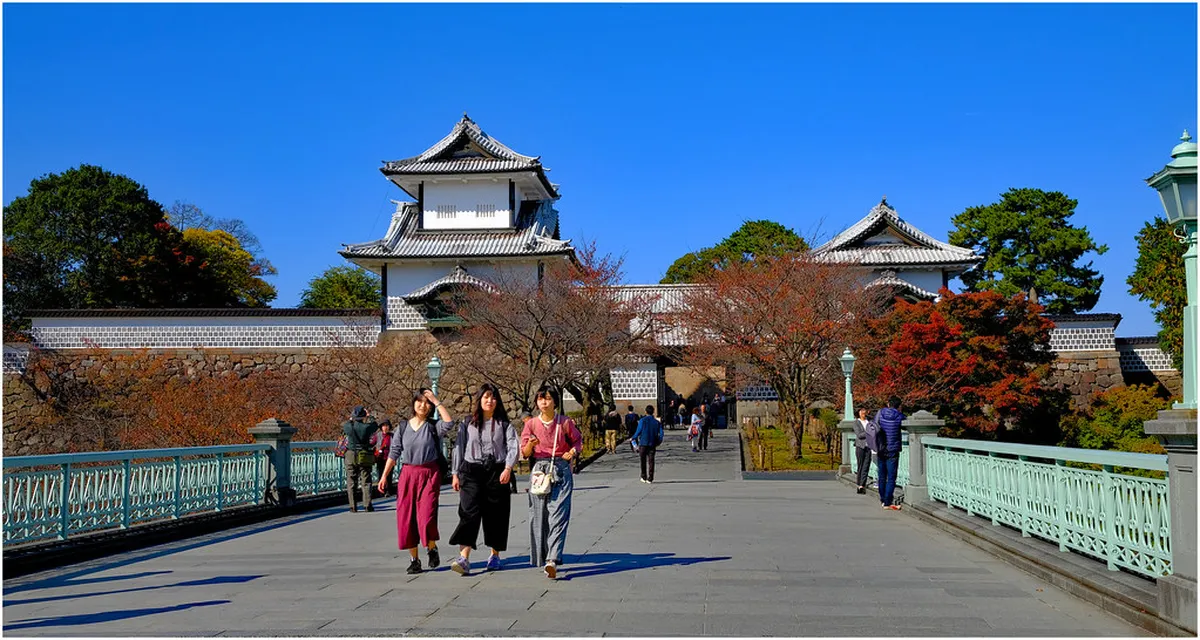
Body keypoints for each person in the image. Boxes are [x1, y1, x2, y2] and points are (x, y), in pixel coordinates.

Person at [377, 388, 454, 574]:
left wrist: (436, 400)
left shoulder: (433, 426)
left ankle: (431, 546)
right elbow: (394, 452)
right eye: (419, 401)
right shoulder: (403, 427)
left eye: (426, 403)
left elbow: (449, 423)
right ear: (413, 403)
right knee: (407, 518)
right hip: (408, 474)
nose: (423, 405)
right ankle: (414, 559)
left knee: (426, 515)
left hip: (429, 473)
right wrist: (384, 476)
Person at [448, 383, 520, 576]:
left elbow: (513, 446)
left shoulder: (504, 424)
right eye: (486, 397)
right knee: (468, 512)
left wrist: (508, 468)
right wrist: (455, 473)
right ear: (479, 399)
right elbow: (459, 447)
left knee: (496, 514)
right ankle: (464, 558)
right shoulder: (467, 423)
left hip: (496, 472)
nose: (490, 400)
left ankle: (495, 555)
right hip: (471, 472)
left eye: (493, 397)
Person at [520, 385, 582, 580]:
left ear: (555, 401)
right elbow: (524, 453)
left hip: (561, 470)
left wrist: (572, 452)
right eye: (540, 399)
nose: (544, 402)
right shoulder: (531, 424)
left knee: (559, 514)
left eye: (547, 398)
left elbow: (577, 441)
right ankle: (541, 555)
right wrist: (530, 444)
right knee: (539, 515)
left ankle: (552, 559)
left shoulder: (564, 422)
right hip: (539, 469)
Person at [342, 405, 379, 513]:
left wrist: (351, 418)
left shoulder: (348, 426)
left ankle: (353, 506)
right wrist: (370, 416)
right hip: (364, 454)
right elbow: (375, 425)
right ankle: (367, 504)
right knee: (366, 480)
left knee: (351, 480)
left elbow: (347, 424)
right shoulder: (367, 427)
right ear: (363, 416)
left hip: (350, 454)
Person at [874, 396, 906, 510]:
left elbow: (874, 426)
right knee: (891, 477)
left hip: (881, 448)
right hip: (893, 449)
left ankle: (883, 499)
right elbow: (906, 423)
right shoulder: (899, 415)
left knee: (882, 476)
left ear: (888, 404)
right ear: (899, 406)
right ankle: (888, 501)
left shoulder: (880, 413)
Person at [631, 405, 663, 483]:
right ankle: (650, 477)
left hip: (643, 443)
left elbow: (638, 431)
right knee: (651, 461)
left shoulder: (642, 421)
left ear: (646, 411)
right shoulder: (656, 422)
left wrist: (633, 437)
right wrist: (658, 441)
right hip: (652, 443)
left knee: (643, 460)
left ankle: (643, 476)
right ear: (653, 412)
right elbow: (661, 434)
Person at [850, 408, 874, 495]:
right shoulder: (856, 422)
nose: (864, 412)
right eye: (861, 411)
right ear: (858, 413)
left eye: (865, 410)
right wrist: (869, 432)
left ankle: (862, 485)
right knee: (860, 465)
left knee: (866, 466)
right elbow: (859, 435)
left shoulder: (870, 421)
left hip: (869, 446)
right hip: (860, 446)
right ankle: (859, 485)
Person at [370, 418, 394, 497]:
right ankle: (381, 490)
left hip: (389, 458)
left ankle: (388, 490)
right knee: (380, 473)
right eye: (383, 426)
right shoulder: (378, 435)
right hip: (380, 457)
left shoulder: (392, 436)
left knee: (389, 474)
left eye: (387, 426)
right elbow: (372, 443)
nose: (385, 428)